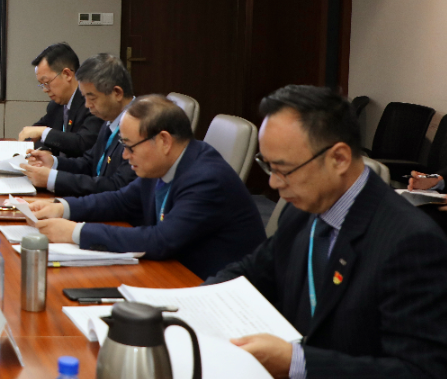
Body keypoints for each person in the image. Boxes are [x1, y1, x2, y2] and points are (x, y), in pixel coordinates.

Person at [207, 85, 447, 379]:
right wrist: (191, 303)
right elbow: (253, 270)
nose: (274, 184)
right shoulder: (303, 210)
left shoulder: (411, 242)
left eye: (284, 169)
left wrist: (296, 363)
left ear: (339, 158)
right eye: (268, 167)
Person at [27, 95, 264, 279]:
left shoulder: (206, 178)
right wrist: (61, 207)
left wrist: (75, 232)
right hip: (175, 271)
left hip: (212, 288)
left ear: (164, 141)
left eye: (130, 147)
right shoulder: (162, 163)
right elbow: (121, 200)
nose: (125, 155)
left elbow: (160, 240)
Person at [20, 53, 137, 197]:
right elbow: (88, 163)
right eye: (85, 97)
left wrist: (53, 179)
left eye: (92, 98)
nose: (87, 105)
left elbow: (116, 186)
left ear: (117, 93)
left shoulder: (140, 126)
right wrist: (53, 162)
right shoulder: (111, 120)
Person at [17, 42, 103, 157]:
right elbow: (31, 134)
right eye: (42, 85)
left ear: (67, 74)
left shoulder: (91, 103)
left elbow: (83, 143)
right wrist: (45, 150)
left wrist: (44, 132)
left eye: (46, 82)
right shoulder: (56, 106)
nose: (45, 90)